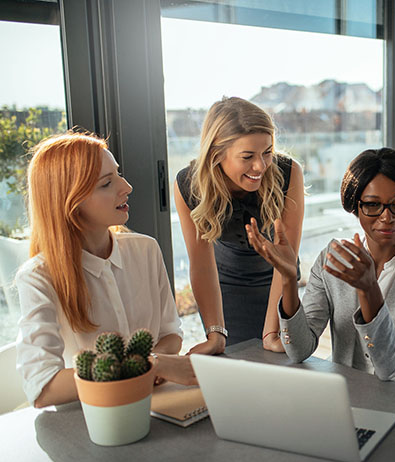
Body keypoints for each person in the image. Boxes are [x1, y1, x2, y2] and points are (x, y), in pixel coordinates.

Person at [247, 148, 395, 391]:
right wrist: (289, 277)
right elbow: (299, 350)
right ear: (355, 207)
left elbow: (393, 366)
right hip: (348, 395)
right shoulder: (331, 258)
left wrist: (369, 289)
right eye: (372, 205)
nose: (387, 217)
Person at [16, 131, 195, 408]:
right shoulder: (37, 277)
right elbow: (43, 388)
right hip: (85, 419)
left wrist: (148, 368)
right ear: (71, 201)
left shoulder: (145, 250)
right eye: (107, 183)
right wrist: (151, 365)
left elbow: (171, 335)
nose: (127, 187)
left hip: (153, 404)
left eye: (119, 175)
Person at [174, 96, 304, 353]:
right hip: (226, 289)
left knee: (283, 363)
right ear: (216, 154)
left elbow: (287, 257)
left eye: (267, 152)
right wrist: (215, 333)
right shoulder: (188, 185)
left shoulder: (289, 173)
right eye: (247, 156)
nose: (260, 166)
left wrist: (272, 331)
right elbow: (201, 265)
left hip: (282, 284)